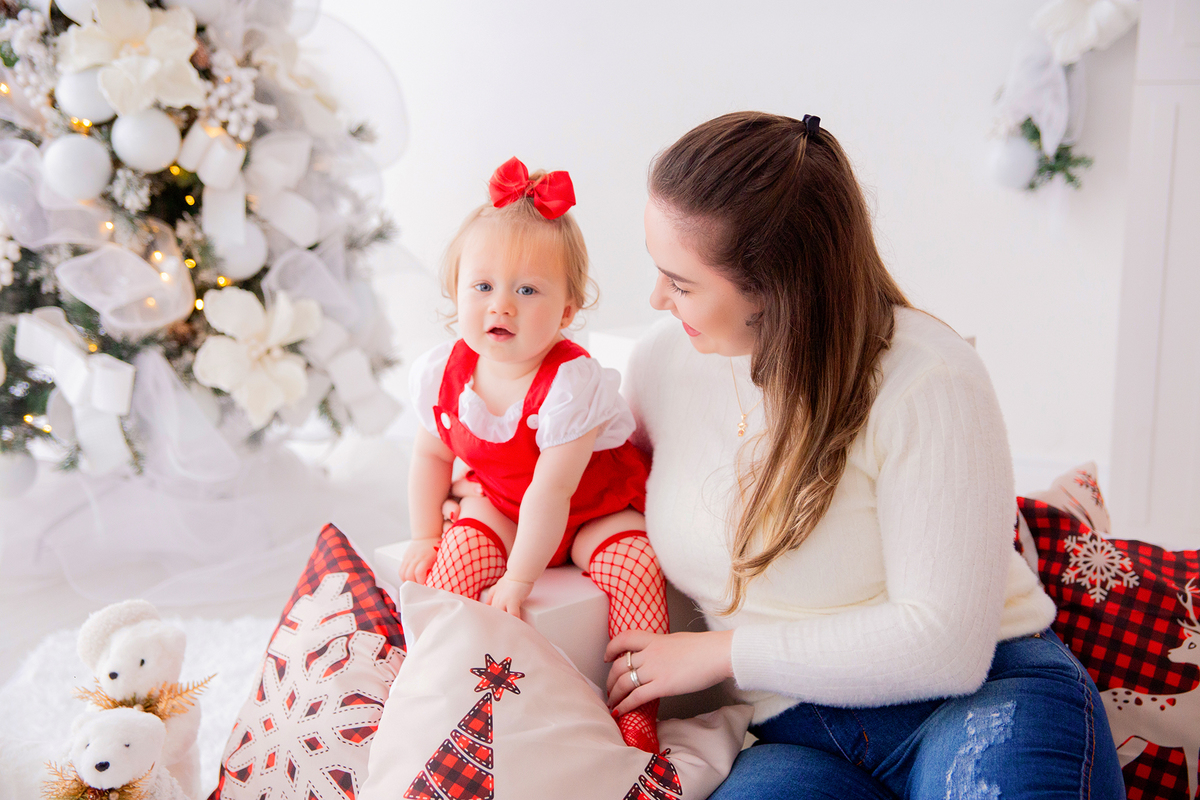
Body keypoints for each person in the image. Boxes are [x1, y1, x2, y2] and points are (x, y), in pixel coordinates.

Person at [600, 112, 1125, 798]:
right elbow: (594, 480)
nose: (656, 298)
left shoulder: (928, 376)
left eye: (683, 282)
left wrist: (720, 653)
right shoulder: (663, 362)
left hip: (983, 694)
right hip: (799, 734)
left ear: (772, 287)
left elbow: (945, 647)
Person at [400, 156, 669, 753]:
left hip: (590, 505)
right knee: (453, 567)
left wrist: (520, 578)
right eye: (484, 287)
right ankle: (434, 689)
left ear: (568, 311)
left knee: (634, 567)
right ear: (457, 291)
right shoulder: (443, 372)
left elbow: (553, 490)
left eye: (528, 290)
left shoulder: (570, 382)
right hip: (504, 501)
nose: (502, 306)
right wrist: (423, 533)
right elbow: (429, 457)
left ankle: (636, 707)